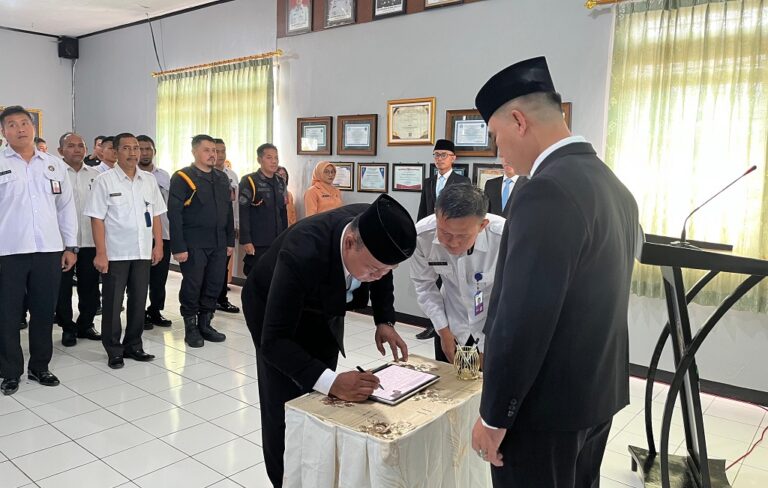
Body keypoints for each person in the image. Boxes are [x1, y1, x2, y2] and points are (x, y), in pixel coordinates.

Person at [469, 56, 639, 488]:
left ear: (518, 121)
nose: (498, 151)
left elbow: (522, 317)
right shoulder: (612, 185)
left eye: (496, 136)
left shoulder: (545, 190)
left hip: (544, 411)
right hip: (595, 394)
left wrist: (494, 415)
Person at [242, 193, 415, 487]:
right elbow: (275, 341)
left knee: (325, 395)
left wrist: (383, 319)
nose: (378, 276)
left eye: (386, 270)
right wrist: (332, 381)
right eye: (373, 269)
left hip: (323, 305)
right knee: (286, 403)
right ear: (349, 243)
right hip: (271, 310)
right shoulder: (303, 250)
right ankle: (284, 479)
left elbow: (384, 272)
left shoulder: (373, 228)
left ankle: (320, 473)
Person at [0, 106, 78, 395]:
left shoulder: (53, 165)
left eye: (24, 123)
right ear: (3, 131)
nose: (20, 128)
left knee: (44, 311)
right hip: (8, 251)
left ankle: (40, 367)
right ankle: (9, 371)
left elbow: (66, 208)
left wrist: (70, 246)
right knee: (7, 314)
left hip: (48, 250)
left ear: (33, 127)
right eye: (12, 124)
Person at [85, 132, 166, 369]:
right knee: (112, 302)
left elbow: (157, 214)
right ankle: (113, 349)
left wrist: (158, 244)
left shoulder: (149, 180)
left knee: (139, 300)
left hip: (142, 251)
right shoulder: (105, 181)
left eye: (136, 148)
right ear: (116, 152)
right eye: (127, 148)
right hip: (116, 253)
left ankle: (134, 345)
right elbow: (97, 219)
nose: (133, 152)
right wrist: (101, 253)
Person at [410, 184, 505, 364]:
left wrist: (488, 344)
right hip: (452, 325)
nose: (452, 243)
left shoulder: (504, 236)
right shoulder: (422, 235)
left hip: (495, 329)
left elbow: (513, 296)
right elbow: (424, 286)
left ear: (482, 225)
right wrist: (443, 330)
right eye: (444, 232)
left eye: (462, 236)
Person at [168, 134, 234, 348]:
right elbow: (174, 214)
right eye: (207, 150)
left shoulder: (222, 178)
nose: (212, 154)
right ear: (195, 152)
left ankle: (206, 323)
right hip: (193, 242)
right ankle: (191, 327)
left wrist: (229, 241)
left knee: (214, 284)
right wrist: (178, 246)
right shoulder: (182, 177)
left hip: (218, 242)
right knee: (193, 285)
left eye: (214, 150)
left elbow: (228, 211)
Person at [415, 139, 471, 340]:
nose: (439, 159)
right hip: (431, 237)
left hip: (451, 238)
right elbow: (423, 210)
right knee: (430, 281)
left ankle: (451, 325)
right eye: (436, 155)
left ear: (453, 158)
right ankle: (434, 325)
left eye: (443, 155)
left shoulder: (461, 182)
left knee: (449, 282)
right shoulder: (429, 182)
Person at [55, 132, 102, 347]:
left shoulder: (96, 175)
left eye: (81, 145)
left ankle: (86, 323)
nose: (77, 149)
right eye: (71, 145)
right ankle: (67, 327)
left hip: (91, 240)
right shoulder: (53, 173)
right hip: (62, 242)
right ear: (60, 150)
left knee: (90, 286)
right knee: (62, 288)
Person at [137, 135, 173, 329]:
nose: (144, 152)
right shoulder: (131, 175)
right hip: (139, 235)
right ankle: (139, 313)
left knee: (159, 278)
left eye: (148, 148)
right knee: (139, 278)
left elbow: (168, 206)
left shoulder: (164, 176)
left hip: (163, 233)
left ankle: (155, 310)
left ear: (154, 151)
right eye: (140, 148)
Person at [238, 143, 288, 275]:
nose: (274, 161)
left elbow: (283, 211)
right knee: (256, 276)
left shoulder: (280, 181)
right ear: (259, 160)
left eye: (276, 158)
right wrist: (246, 240)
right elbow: (243, 212)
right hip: (258, 241)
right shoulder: (249, 181)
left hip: (277, 239)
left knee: (273, 276)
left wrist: (285, 236)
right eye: (269, 157)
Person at [213, 138, 240, 314]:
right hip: (208, 228)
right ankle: (207, 300)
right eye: (216, 151)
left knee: (224, 264)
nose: (220, 155)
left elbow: (235, 204)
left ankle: (221, 299)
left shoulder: (232, 175)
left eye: (223, 151)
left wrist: (236, 224)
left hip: (227, 226)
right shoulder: (200, 175)